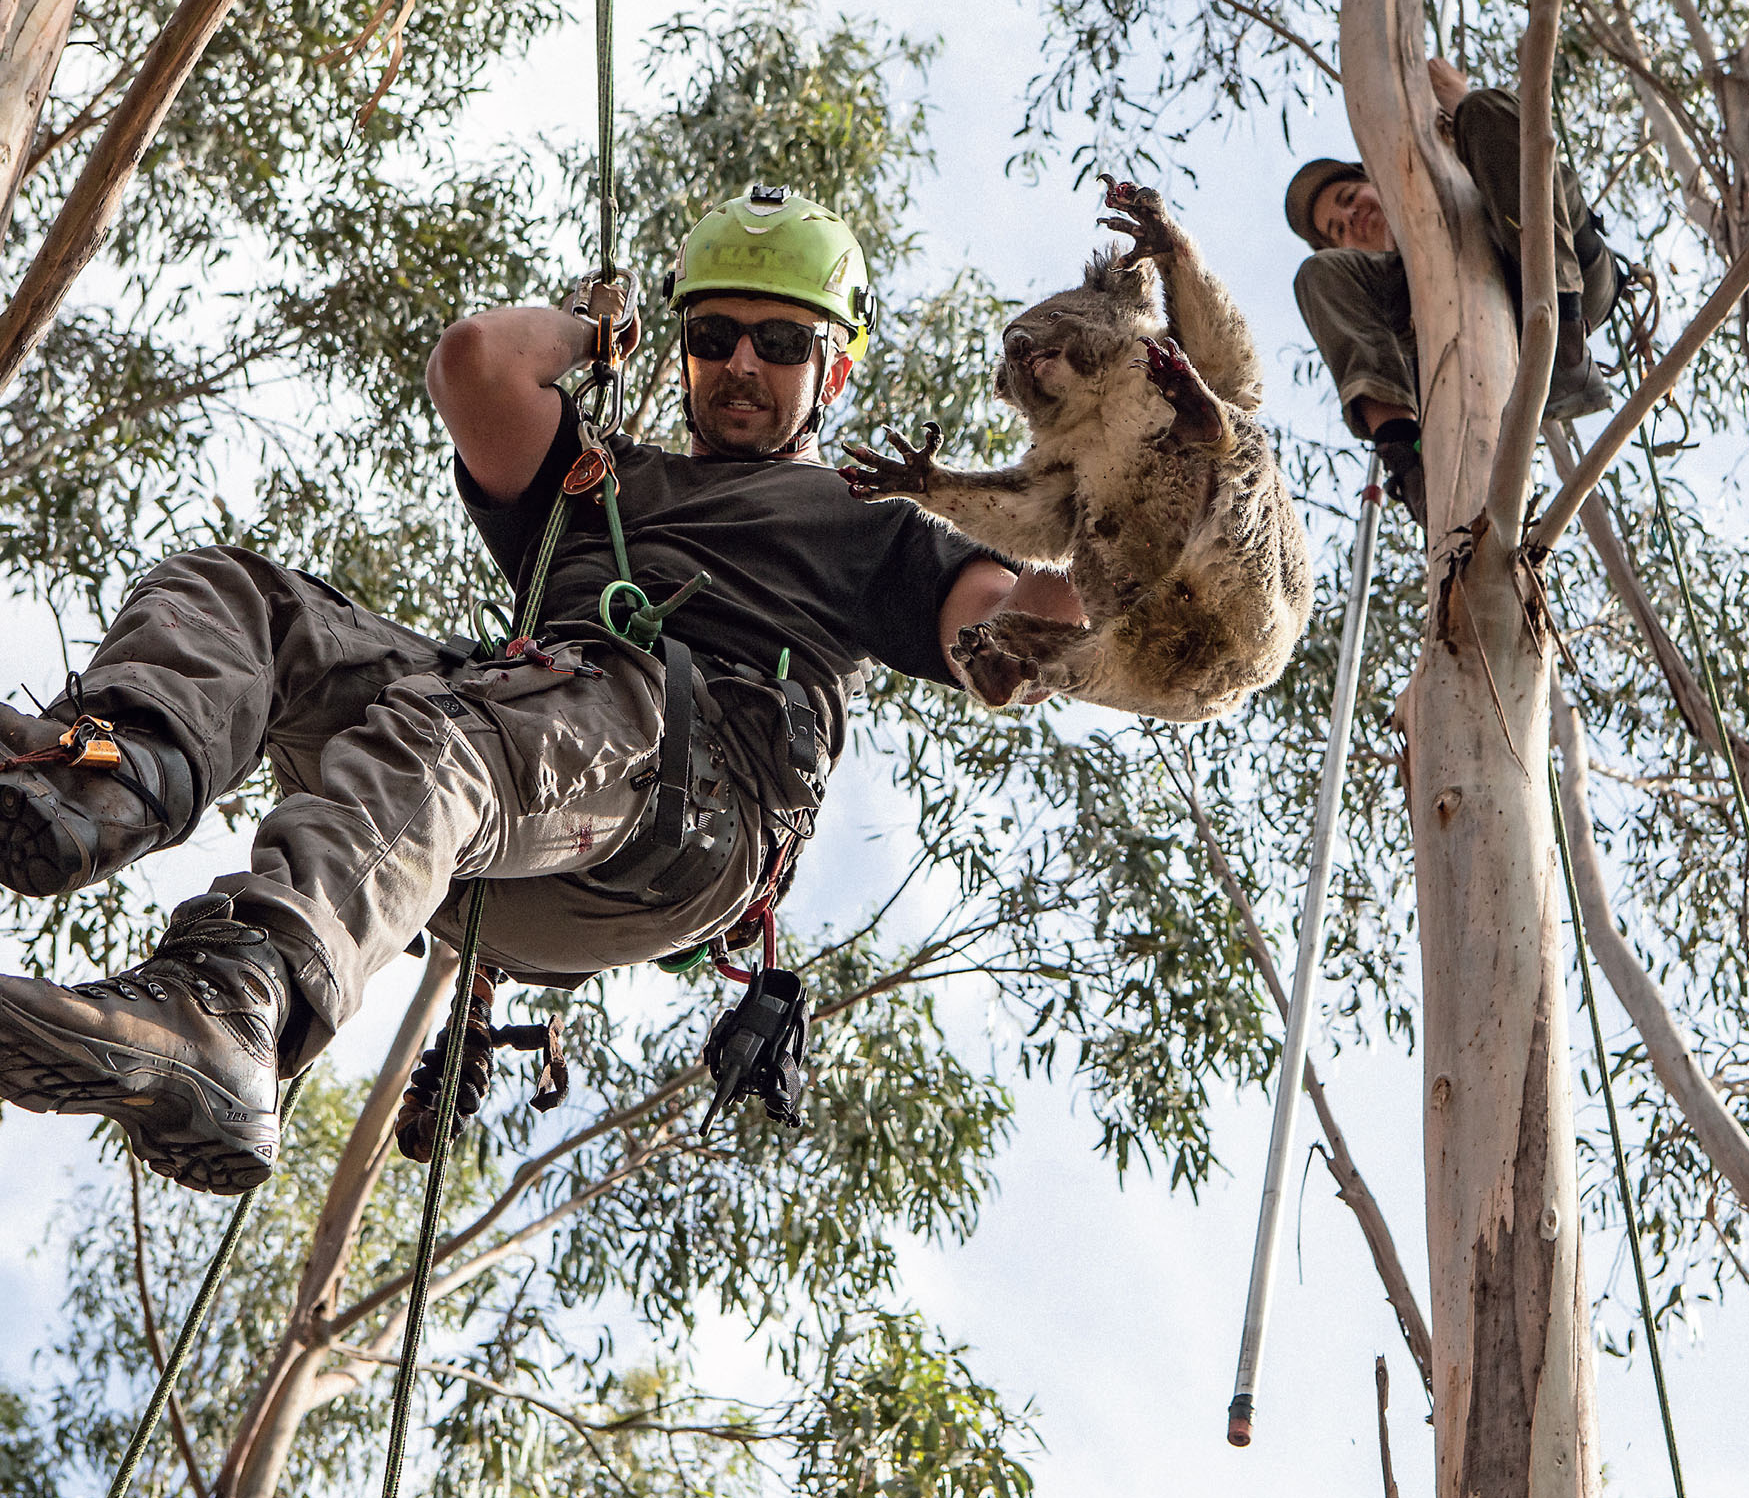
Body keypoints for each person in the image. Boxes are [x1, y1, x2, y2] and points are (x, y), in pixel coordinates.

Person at [0, 185, 1073, 1196]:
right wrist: (587, 327)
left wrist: (1145, 541)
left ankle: (234, 1012)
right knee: (237, 595)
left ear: (832, 374)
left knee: (455, 731)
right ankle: (96, 786)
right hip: (496, 794)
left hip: (684, 805)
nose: (741, 363)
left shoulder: (872, 525)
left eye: (781, 342)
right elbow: (475, 366)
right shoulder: (598, 482)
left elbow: (1025, 619)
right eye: (713, 338)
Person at [1286, 59, 1618, 518]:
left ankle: (1564, 342)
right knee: (1314, 275)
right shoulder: (1379, 287)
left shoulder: (1456, 159)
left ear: (1377, 180)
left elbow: (1514, 154)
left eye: (1348, 199)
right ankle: (1407, 463)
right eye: (1336, 229)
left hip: (1556, 261)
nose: (1350, 220)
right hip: (1461, 322)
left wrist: (1455, 100)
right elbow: (1341, 282)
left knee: (1483, 109)